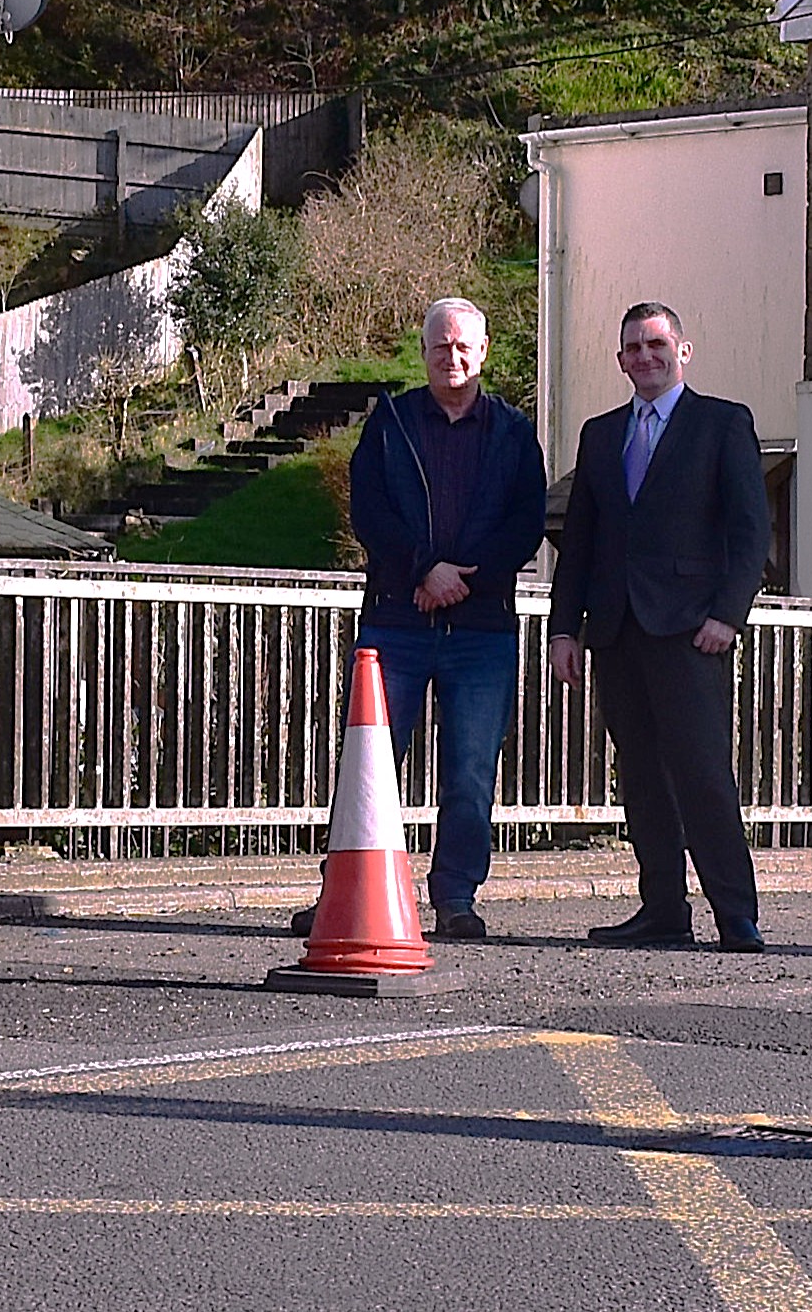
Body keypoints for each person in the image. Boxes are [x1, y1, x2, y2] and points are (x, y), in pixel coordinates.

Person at [293, 297, 546, 940]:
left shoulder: (515, 433)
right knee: (370, 767)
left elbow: (525, 525)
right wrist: (421, 572)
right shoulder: (390, 424)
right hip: (396, 625)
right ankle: (342, 897)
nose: (452, 357)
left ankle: (455, 899)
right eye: (441, 346)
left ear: (483, 351)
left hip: (482, 629)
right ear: (424, 351)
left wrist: (463, 581)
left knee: (469, 771)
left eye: (464, 346)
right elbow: (371, 513)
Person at [547, 301, 770, 952]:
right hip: (616, 630)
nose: (645, 357)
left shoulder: (722, 423)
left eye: (656, 344)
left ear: (683, 351)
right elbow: (579, 541)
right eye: (633, 348)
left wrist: (728, 614)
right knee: (640, 775)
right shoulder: (599, 433)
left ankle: (737, 912)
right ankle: (663, 909)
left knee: (702, 772)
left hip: (691, 632)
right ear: (620, 361)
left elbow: (751, 529)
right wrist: (566, 629)